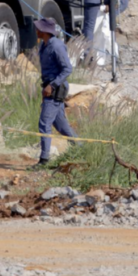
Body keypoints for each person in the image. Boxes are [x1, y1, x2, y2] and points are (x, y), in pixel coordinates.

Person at [34, 17, 77, 166]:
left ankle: (44, 160)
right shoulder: (44, 46)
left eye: (38, 28)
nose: (36, 30)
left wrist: (51, 85)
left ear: (44, 31)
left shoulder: (57, 46)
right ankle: (82, 148)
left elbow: (67, 69)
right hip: (49, 88)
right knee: (62, 126)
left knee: (44, 123)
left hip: (55, 89)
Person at [91, 0, 128, 68]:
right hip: (106, 3)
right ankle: (101, 59)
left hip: (117, 1)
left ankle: (114, 56)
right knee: (100, 30)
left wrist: (113, 3)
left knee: (106, 29)